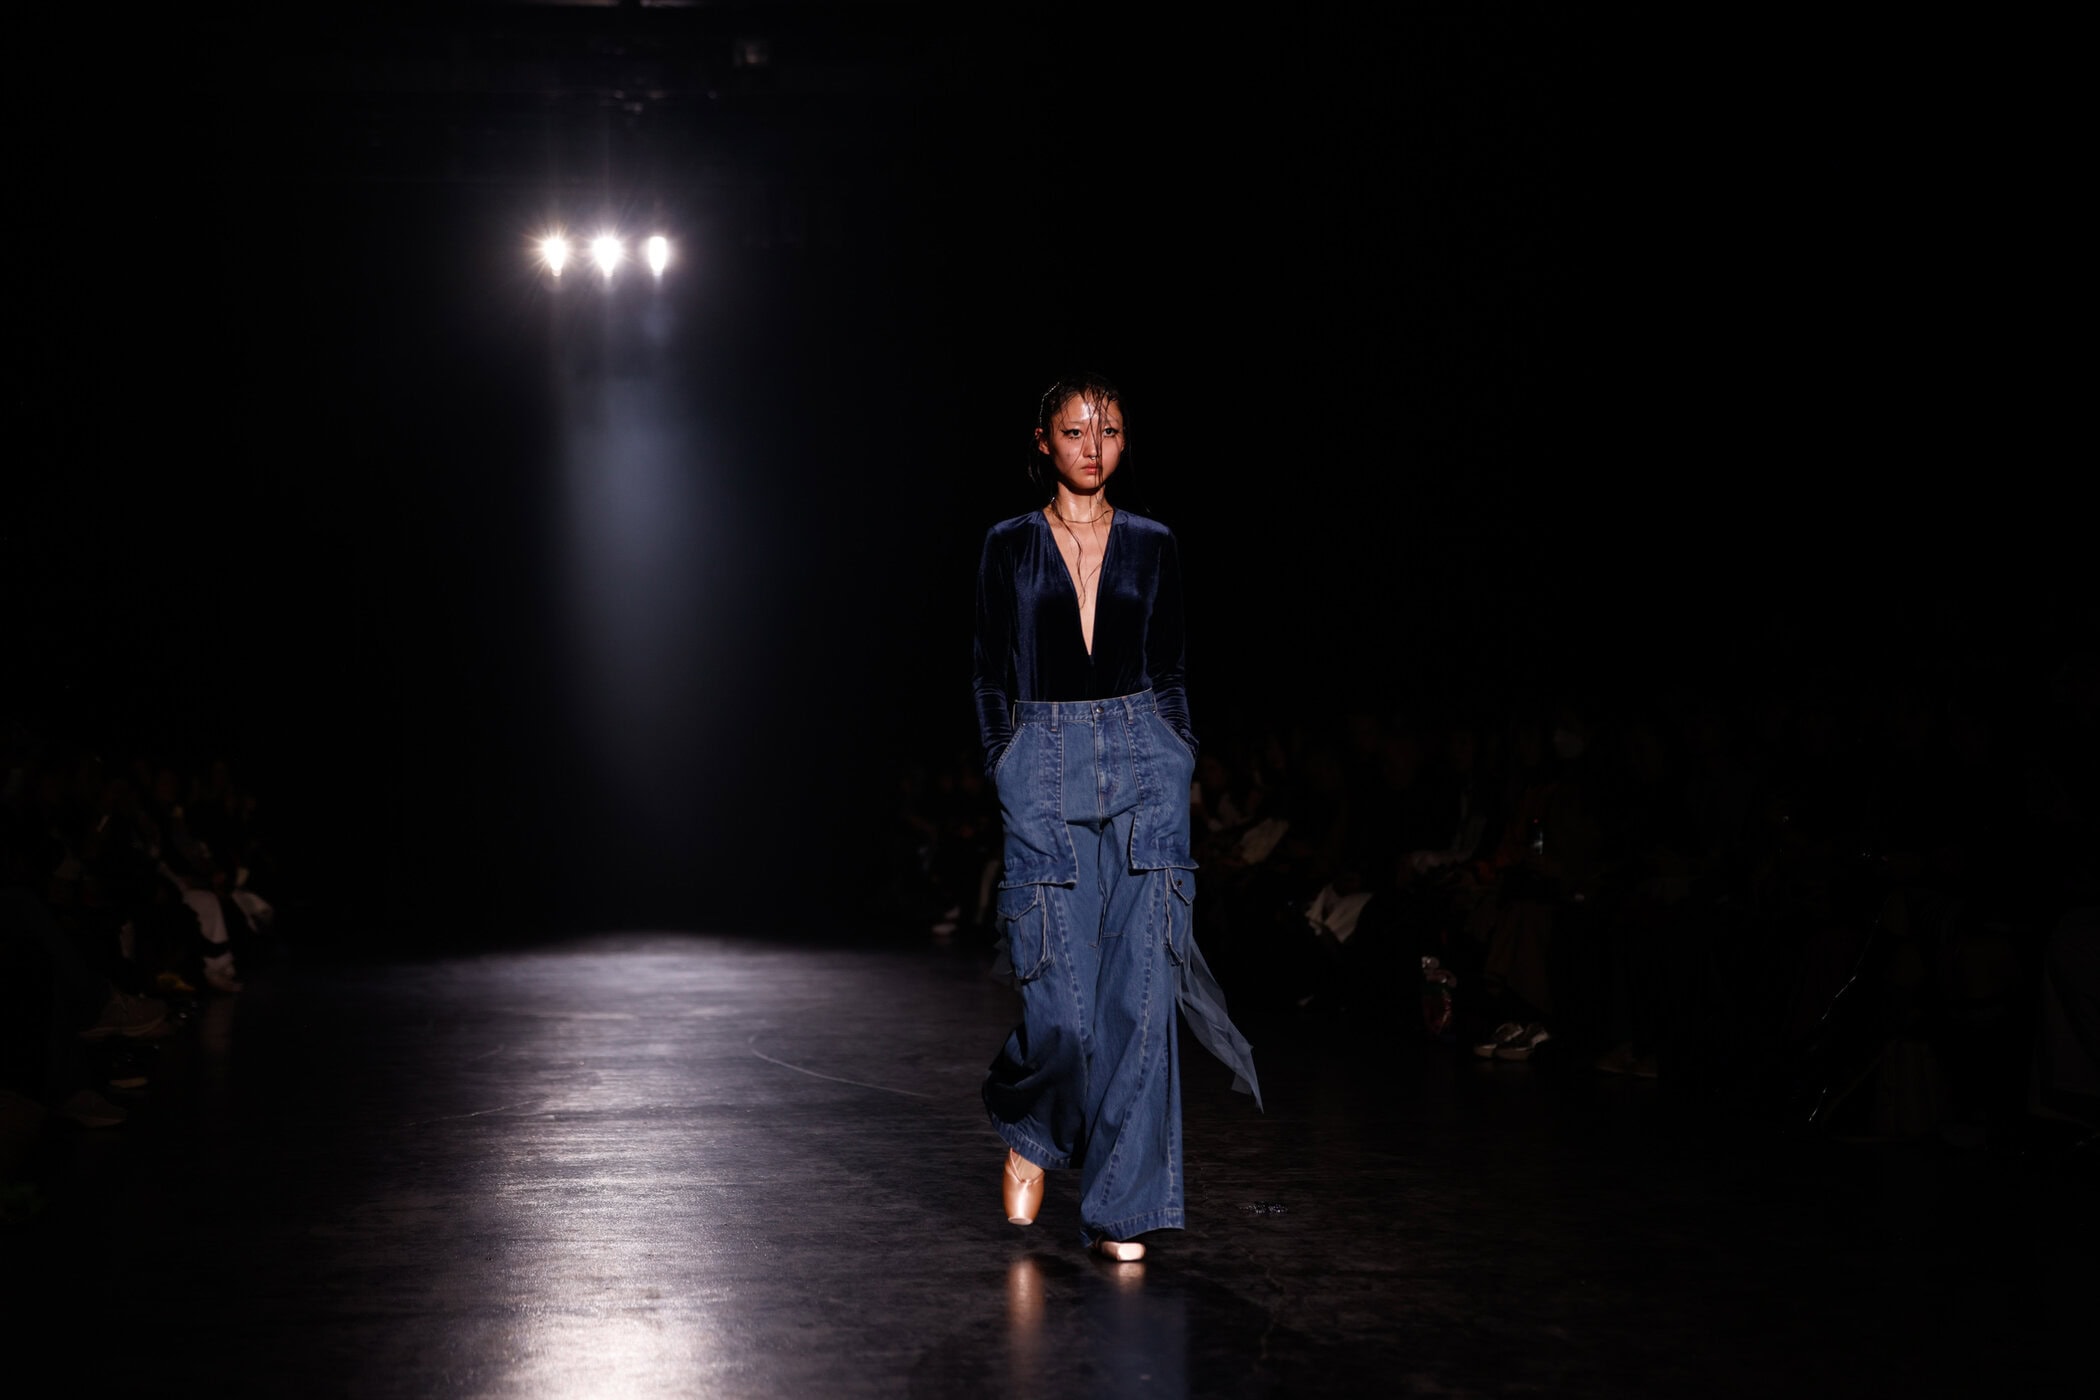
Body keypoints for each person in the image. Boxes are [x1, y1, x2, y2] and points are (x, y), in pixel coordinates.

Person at [971, 371, 1260, 1263]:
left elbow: (1170, 668)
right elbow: (987, 672)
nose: (1093, 447)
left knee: (1139, 994)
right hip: (1043, 756)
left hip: (1143, 756)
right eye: (1074, 431)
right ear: (1043, 441)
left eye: (1110, 431)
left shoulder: (1154, 544)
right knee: (1062, 1003)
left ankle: (1122, 1210)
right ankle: (1033, 1124)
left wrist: (1177, 749)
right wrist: (1006, 758)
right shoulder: (1010, 545)